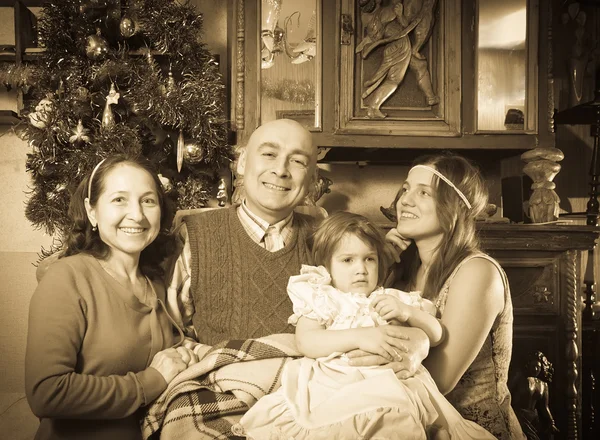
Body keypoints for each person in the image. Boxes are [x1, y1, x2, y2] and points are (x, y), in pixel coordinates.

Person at [165, 118, 430, 380]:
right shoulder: (196, 234)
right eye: (269, 154)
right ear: (243, 162)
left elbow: (371, 309)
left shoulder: (329, 237)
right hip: (222, 383)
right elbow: (172, 335)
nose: (281, 170)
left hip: (314, 386)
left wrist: (419, 341)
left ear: (312, 177)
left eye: (298, 161)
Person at [238, 211, 494, 439]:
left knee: (395, 421)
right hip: (336, 384)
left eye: (369, 259)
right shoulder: (325, 298)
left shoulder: (390, 299)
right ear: (326, 268)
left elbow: (437, 334)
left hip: (390, 385)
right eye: (348, 260)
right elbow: (306, 341)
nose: (360, 269)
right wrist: (361, 337)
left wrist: (409, 314)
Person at [25, 155, 197, 440]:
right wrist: (150, 382)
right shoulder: (66, 279)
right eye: (119, 200)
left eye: (148, 201)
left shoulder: (157, 283)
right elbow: (47, 394)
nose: (137, 215)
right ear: (92, 212)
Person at [377, 152, 526, 439]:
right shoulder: (403, 270)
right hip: (415, 422)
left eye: (424, 193)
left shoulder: (477, 272)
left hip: (474, 430)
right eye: (406, 189)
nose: (404, 200)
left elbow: (441, 379)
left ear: (454, 208)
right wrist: (379, 264)